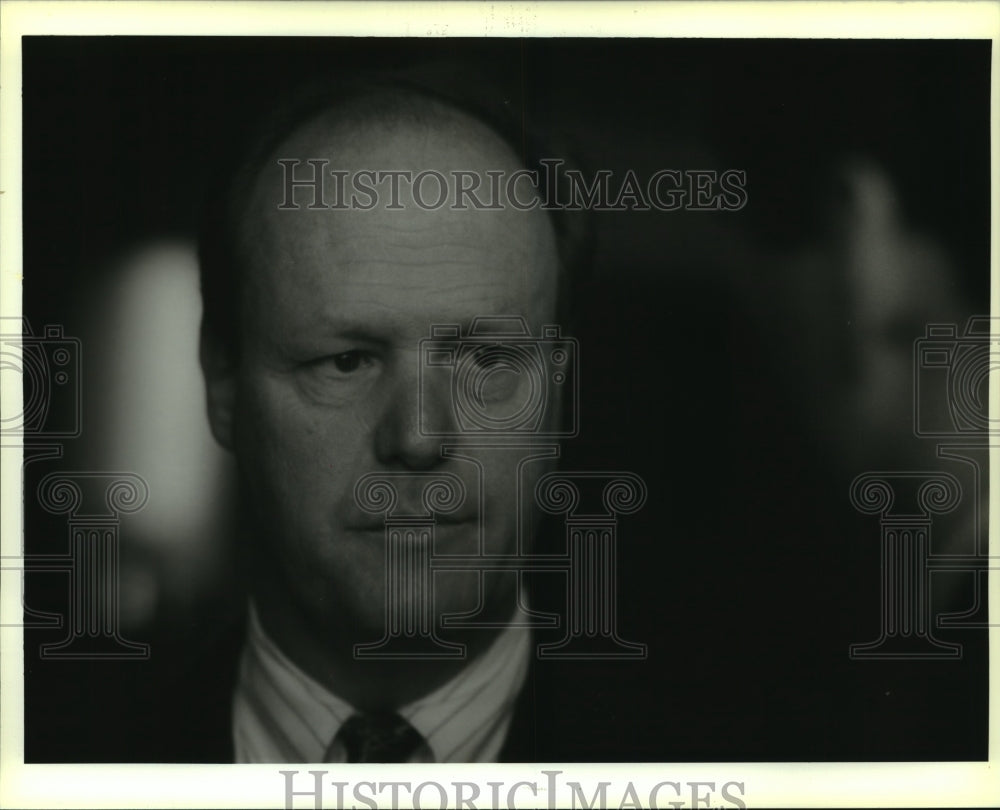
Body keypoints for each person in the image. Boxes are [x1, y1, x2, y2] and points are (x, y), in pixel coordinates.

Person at [193, 72, 589, 763]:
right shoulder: (46, 754)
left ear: (555, 394)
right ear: (223, 384)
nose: (418, 437)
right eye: (346, 362)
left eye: (487, 362)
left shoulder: (763, 757)